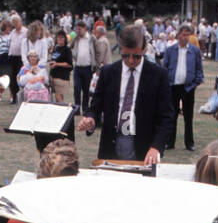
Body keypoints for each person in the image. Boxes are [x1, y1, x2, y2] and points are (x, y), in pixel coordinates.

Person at [77, 24, 172, 166]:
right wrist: (90, 119)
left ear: (145, 49)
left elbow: (167, 118)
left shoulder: (159, 75)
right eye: (125, 55)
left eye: (137, 56)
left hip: (144, 152)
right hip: (110, 149)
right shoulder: (108, 73)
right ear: (120, 49)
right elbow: (95, 107)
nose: (131, 60)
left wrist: (156, 147)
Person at [161, 23, 204, 152]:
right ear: (178, 35)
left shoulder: (195, 51)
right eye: (184, 35)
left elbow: (199, 70)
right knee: (172, 116)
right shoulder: (170, 50)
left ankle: (189, 143)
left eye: (188, 35)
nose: (186, 37)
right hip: (173, 86)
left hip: (188, 87)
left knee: (188, 116)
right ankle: (170, 142)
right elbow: (164, 68)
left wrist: (195, 83)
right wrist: (166, 83)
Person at [70, 21, 97, 115]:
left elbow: (96, 51)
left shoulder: (91, 38)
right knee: (76, 88)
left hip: (88, 67)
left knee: (86, 89)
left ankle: (85, 108)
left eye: (79, 29)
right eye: (76, 29)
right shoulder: (76, 39)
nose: (77, 31)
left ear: (85, 28)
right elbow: (70, 47)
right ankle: (77, 108)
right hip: (77, 67)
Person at [48, 30, 72, 104]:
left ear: (65, 38)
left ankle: (63, 111)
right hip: (53, 74)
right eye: (58, 38)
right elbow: (54, 58)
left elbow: (69, 64)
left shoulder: (67, 49)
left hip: (62, 76)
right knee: (56, 96)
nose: (60, 40)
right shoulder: (56, 48)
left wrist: (57, 64)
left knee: (58, 96)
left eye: (62, 38)